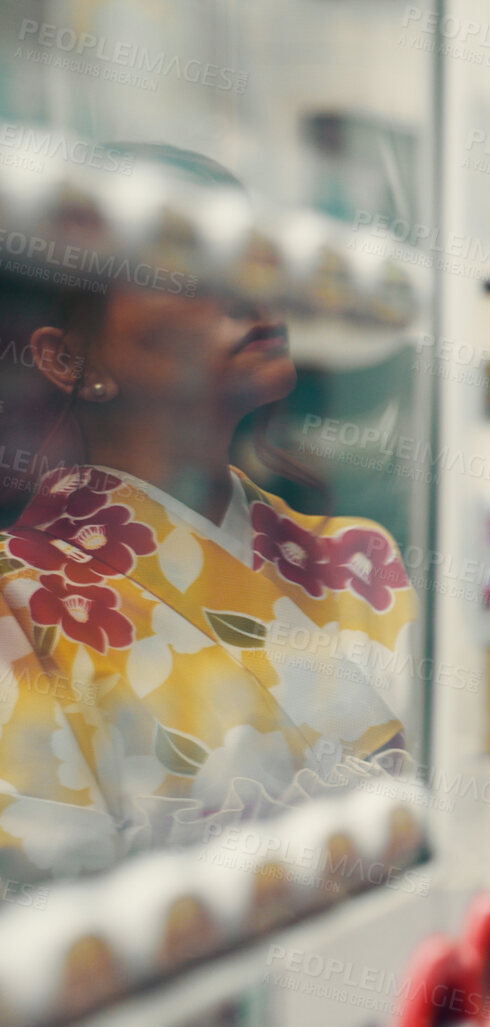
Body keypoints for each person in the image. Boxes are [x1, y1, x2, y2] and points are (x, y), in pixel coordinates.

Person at [0, 146, 419, 885]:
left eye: (253, 259)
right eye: (183, 267)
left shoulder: (360, 556)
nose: (250, 294)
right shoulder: (20, 597)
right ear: (66, 360)